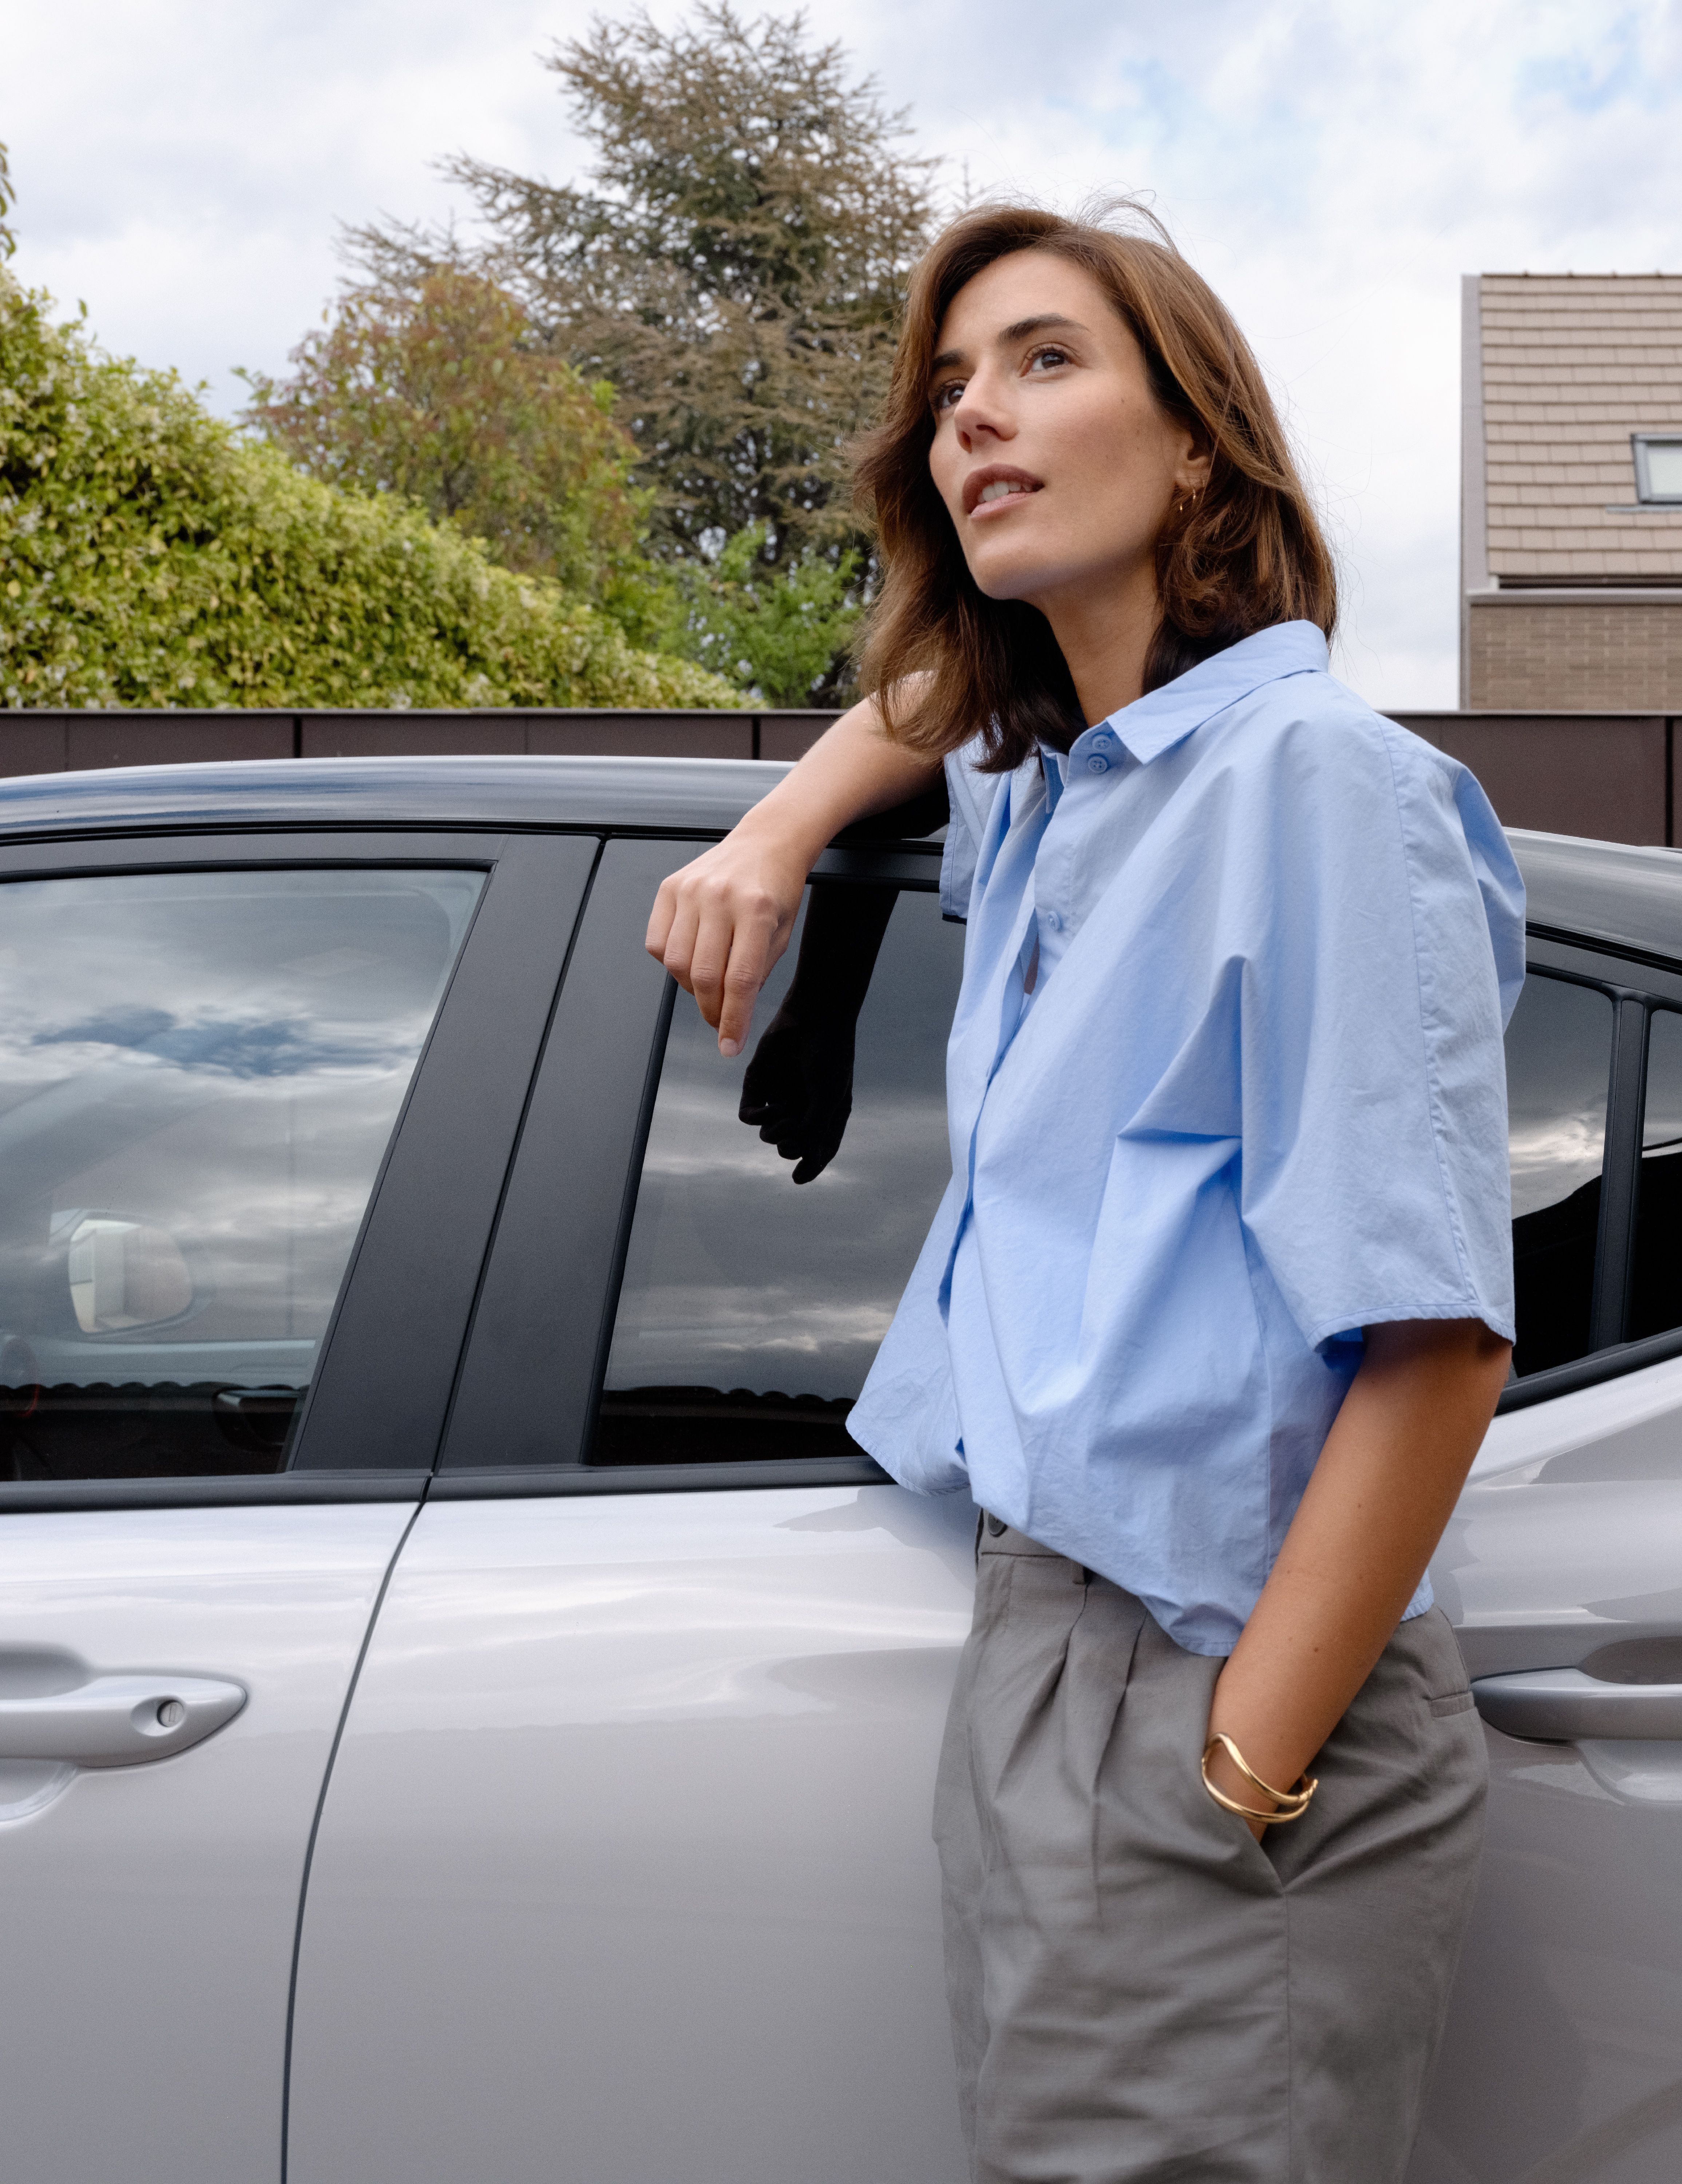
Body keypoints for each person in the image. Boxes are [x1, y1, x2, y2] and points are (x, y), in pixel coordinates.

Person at [642, 200, 1521, 2184]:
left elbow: (1438, 1341)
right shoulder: (1073, 799)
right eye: (948, 390)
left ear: (1199, 438)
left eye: (1046, 361)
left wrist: (1235, 1774)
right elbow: (935, 707)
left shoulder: (1315, 789)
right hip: (1061, 1655)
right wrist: (776, 830)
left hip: (1197, 1676)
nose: (976, 417)